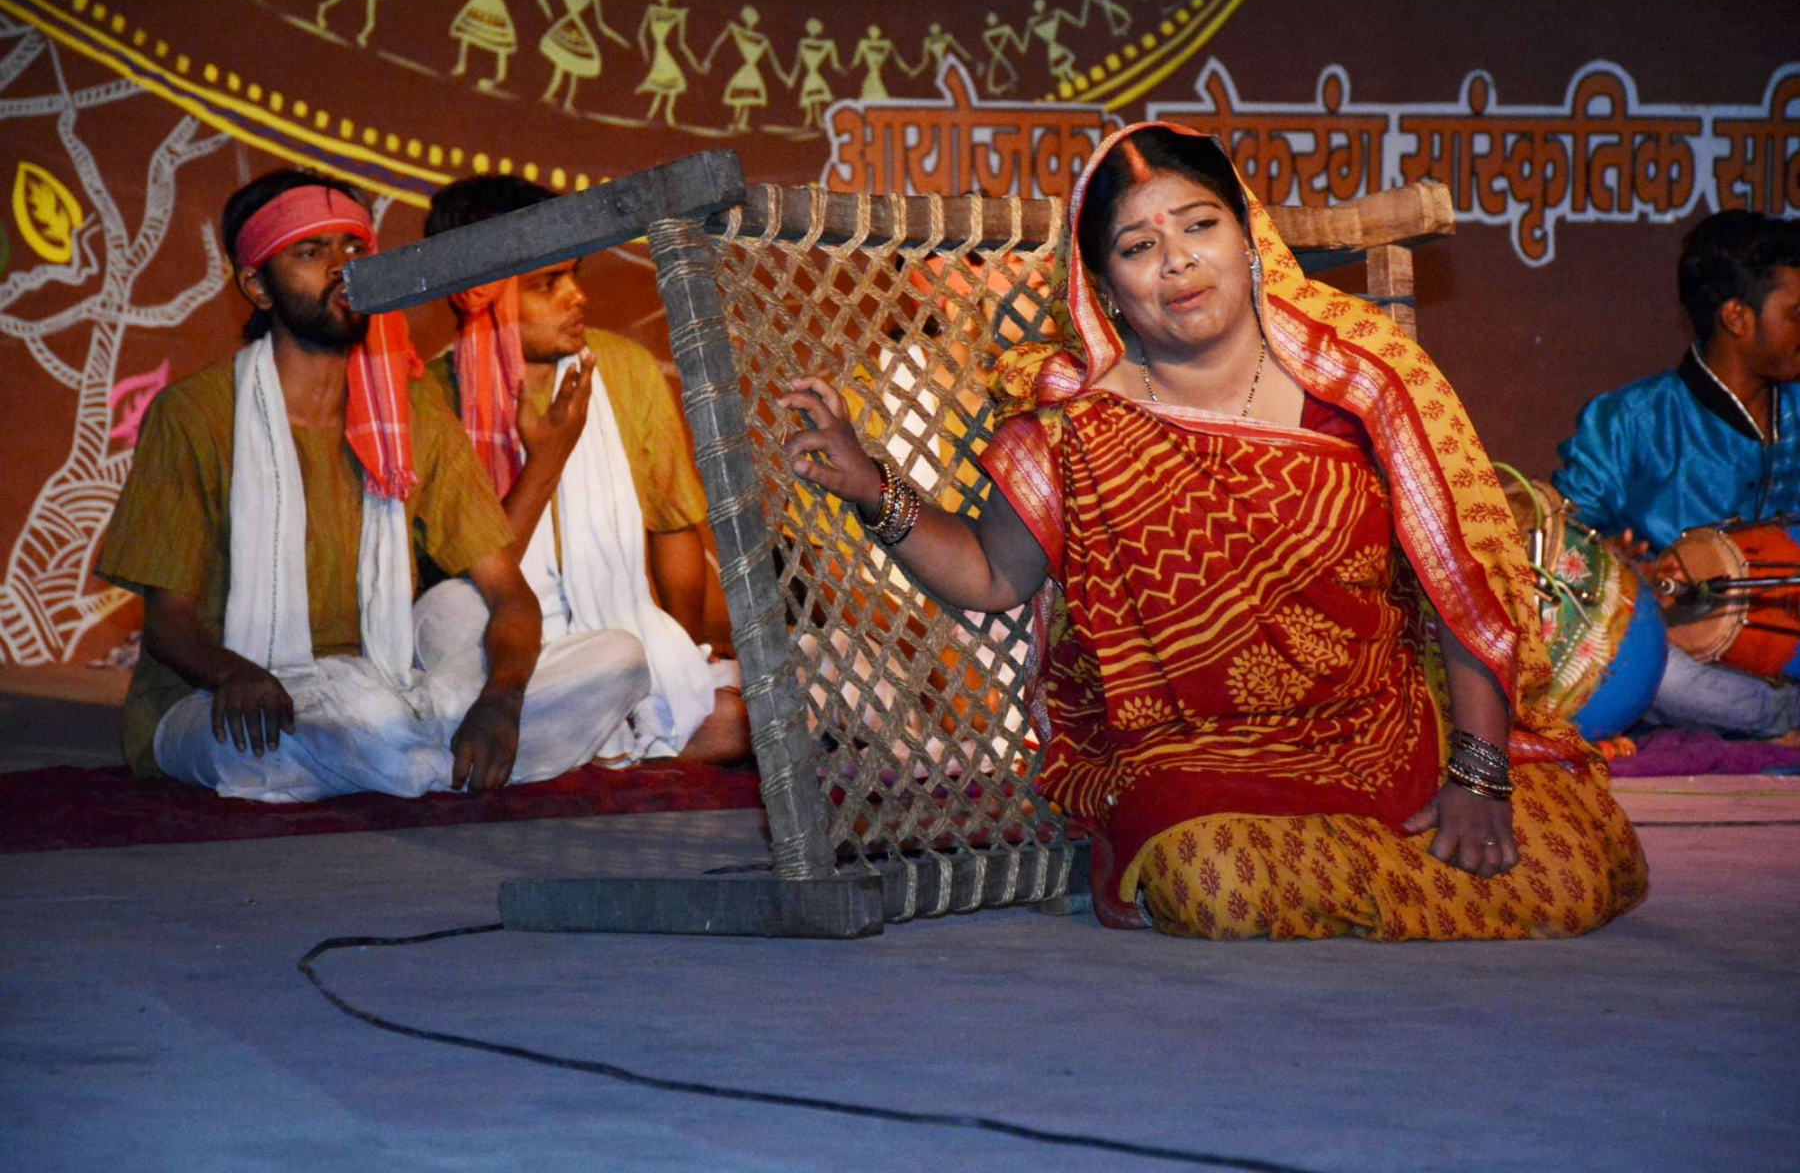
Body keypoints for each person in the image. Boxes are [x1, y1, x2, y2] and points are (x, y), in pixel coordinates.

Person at [782, 122, 1647, 940]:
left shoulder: (1366, 380)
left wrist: (1479, 777)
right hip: (1202, 763)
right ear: (1105, 288)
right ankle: (1383, 880)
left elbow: (1461, 587)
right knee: (1212, 879)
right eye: (1138, 247)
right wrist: (871, 487)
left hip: (1382, 732)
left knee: (1575, 866)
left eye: (1200, 226)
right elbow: (989, 574)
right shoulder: (1075, 426)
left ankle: (1370, 870)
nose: (1178, 261)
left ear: (1249, 238)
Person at [96, 170, 649, 801]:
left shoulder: (410, 411)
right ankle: (424, 762)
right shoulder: (193, 415)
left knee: (618, 660)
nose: (342, 269)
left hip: (385, 684)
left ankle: (406, 757)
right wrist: (234, 676)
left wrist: (501, 700)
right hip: (230, 702)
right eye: (311, 252)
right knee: (269, 747)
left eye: (355, 248)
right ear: (257, 286)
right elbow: (169, 626)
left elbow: (509, 595)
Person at [420, 175, 748, 764]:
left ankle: (604, 734)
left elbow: (673, 524)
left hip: (620, 645)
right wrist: (547, 461)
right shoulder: (431, 399)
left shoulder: (624, 369)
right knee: (451, 616)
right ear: (476, 294)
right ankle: (601, 733)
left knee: (766, 701)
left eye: (574, 274)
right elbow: (473, 589)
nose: (577, 296)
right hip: (496, 652)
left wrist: (688, 649)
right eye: (547, 284)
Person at [1553, 212, 1800, 739]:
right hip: (1679, 653)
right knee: (1656, 678)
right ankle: (1778, 716)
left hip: (1790, 642)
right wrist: (1614, 565)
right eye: (1796, 314)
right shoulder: (1629, 421)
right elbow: (1558, 544)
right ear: (1737, 317)